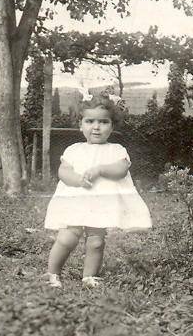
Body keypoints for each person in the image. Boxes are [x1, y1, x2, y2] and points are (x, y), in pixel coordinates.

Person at [43, 94, 152, 288]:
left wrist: (101, 169)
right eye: (90, 121)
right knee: (67, 238)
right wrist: (77, 179)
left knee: (96, 242)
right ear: (80, 125)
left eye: (103, 122)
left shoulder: (116, 150)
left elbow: (121, 169)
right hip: (76, 201)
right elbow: (63, 171)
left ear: (112, 126)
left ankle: (89, 276)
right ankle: (52, 273)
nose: (96, 127)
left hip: (100, 205)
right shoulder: (74, 150)